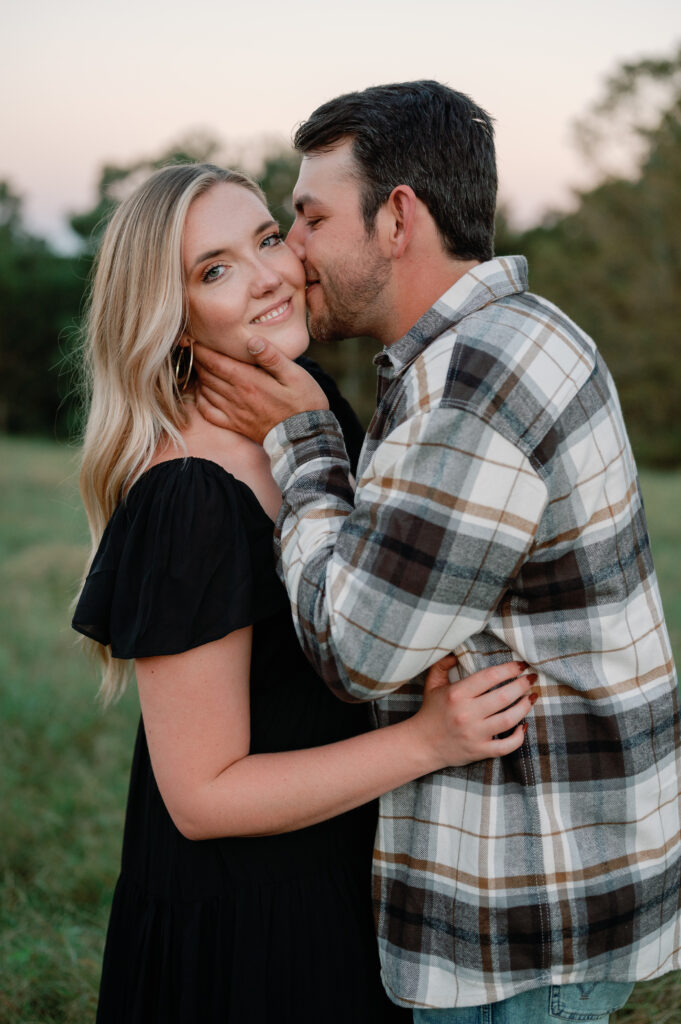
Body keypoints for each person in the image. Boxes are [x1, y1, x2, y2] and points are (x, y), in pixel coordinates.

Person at [192, 82, 681, 1023]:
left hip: (519, 923)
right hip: (547, 895)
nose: (290, 252)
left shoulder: (476, 378)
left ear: (397, 218)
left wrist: (302, 440)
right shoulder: (502, 343)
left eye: (308, 216)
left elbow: (357, 650)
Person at [71, 162, 537, 1024]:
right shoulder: (187, 497)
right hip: (249, 920)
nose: (266, 279)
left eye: (265, 239)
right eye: (214, 271)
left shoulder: (306, 405)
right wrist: (429, 743)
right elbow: (202, 798)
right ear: (171, 324)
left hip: (344, 867)